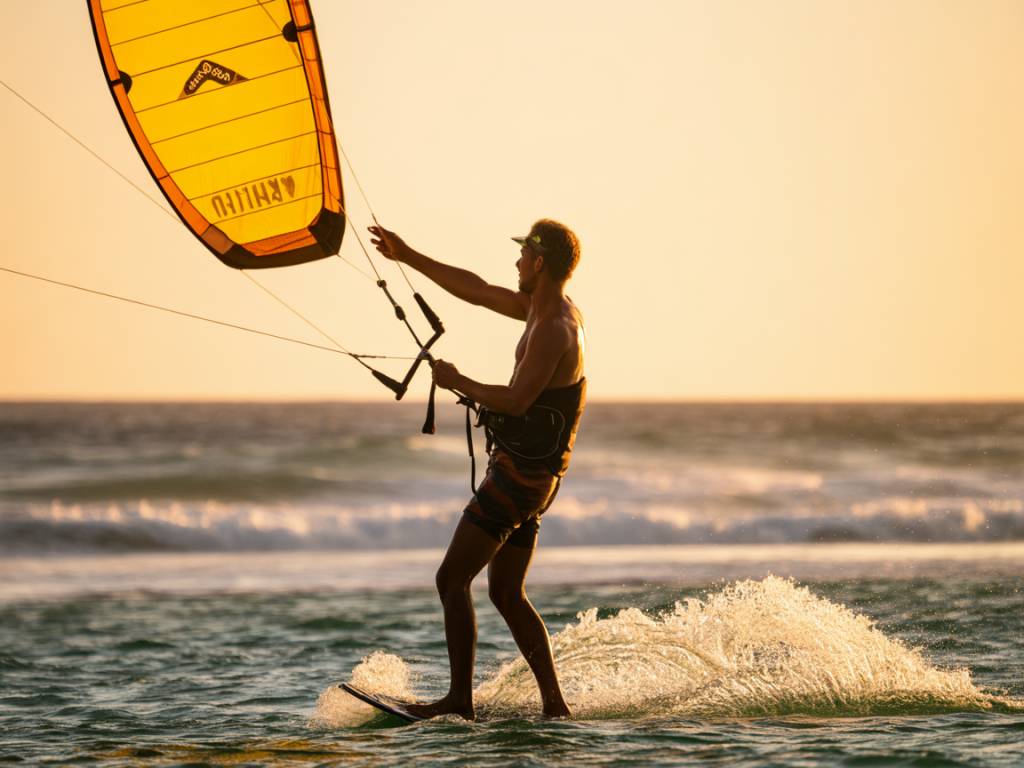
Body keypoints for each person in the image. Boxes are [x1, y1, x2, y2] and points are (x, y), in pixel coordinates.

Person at [368, 219, 586, 720]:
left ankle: (458, 703)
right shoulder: (540, 309)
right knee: (506, 592)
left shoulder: (555, 327)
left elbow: (516, 400)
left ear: (539, 262)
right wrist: (407, 255)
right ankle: (555, 706)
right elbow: (478, 291)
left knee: (451, 580)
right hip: (532, 476)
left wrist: (456, 379)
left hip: (521, 478)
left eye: (521, 256)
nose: (514, 264)